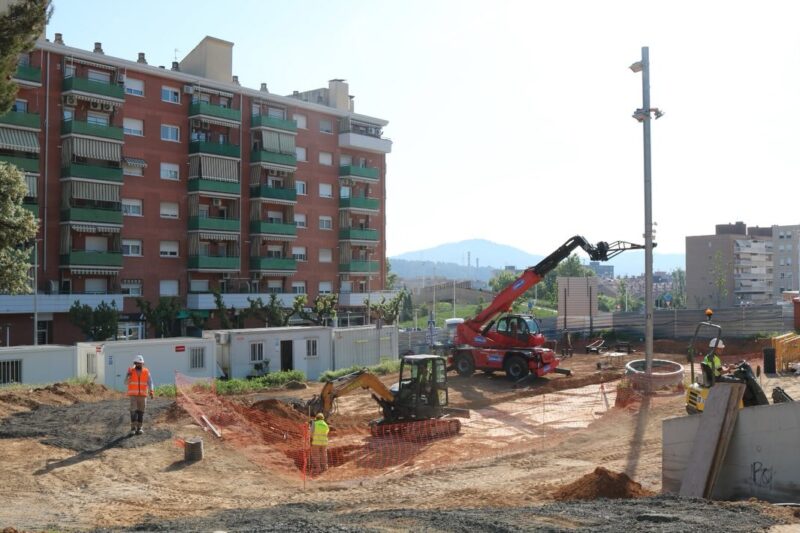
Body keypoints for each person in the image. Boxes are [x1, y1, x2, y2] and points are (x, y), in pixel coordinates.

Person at [124, 354, 154, 435]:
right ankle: (133, 428)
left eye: (140, 363)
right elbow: (125, 382)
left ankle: (139, 428)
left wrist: (151, 390)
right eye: (137, 363)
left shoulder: (146, 371)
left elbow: (150, 382)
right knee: (133, 411)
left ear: (142, 364)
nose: (139, 364)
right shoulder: (131, 371)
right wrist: (129, 375)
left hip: (143, 395)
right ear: (135, 363)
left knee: (141, 412)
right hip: (133, 395)